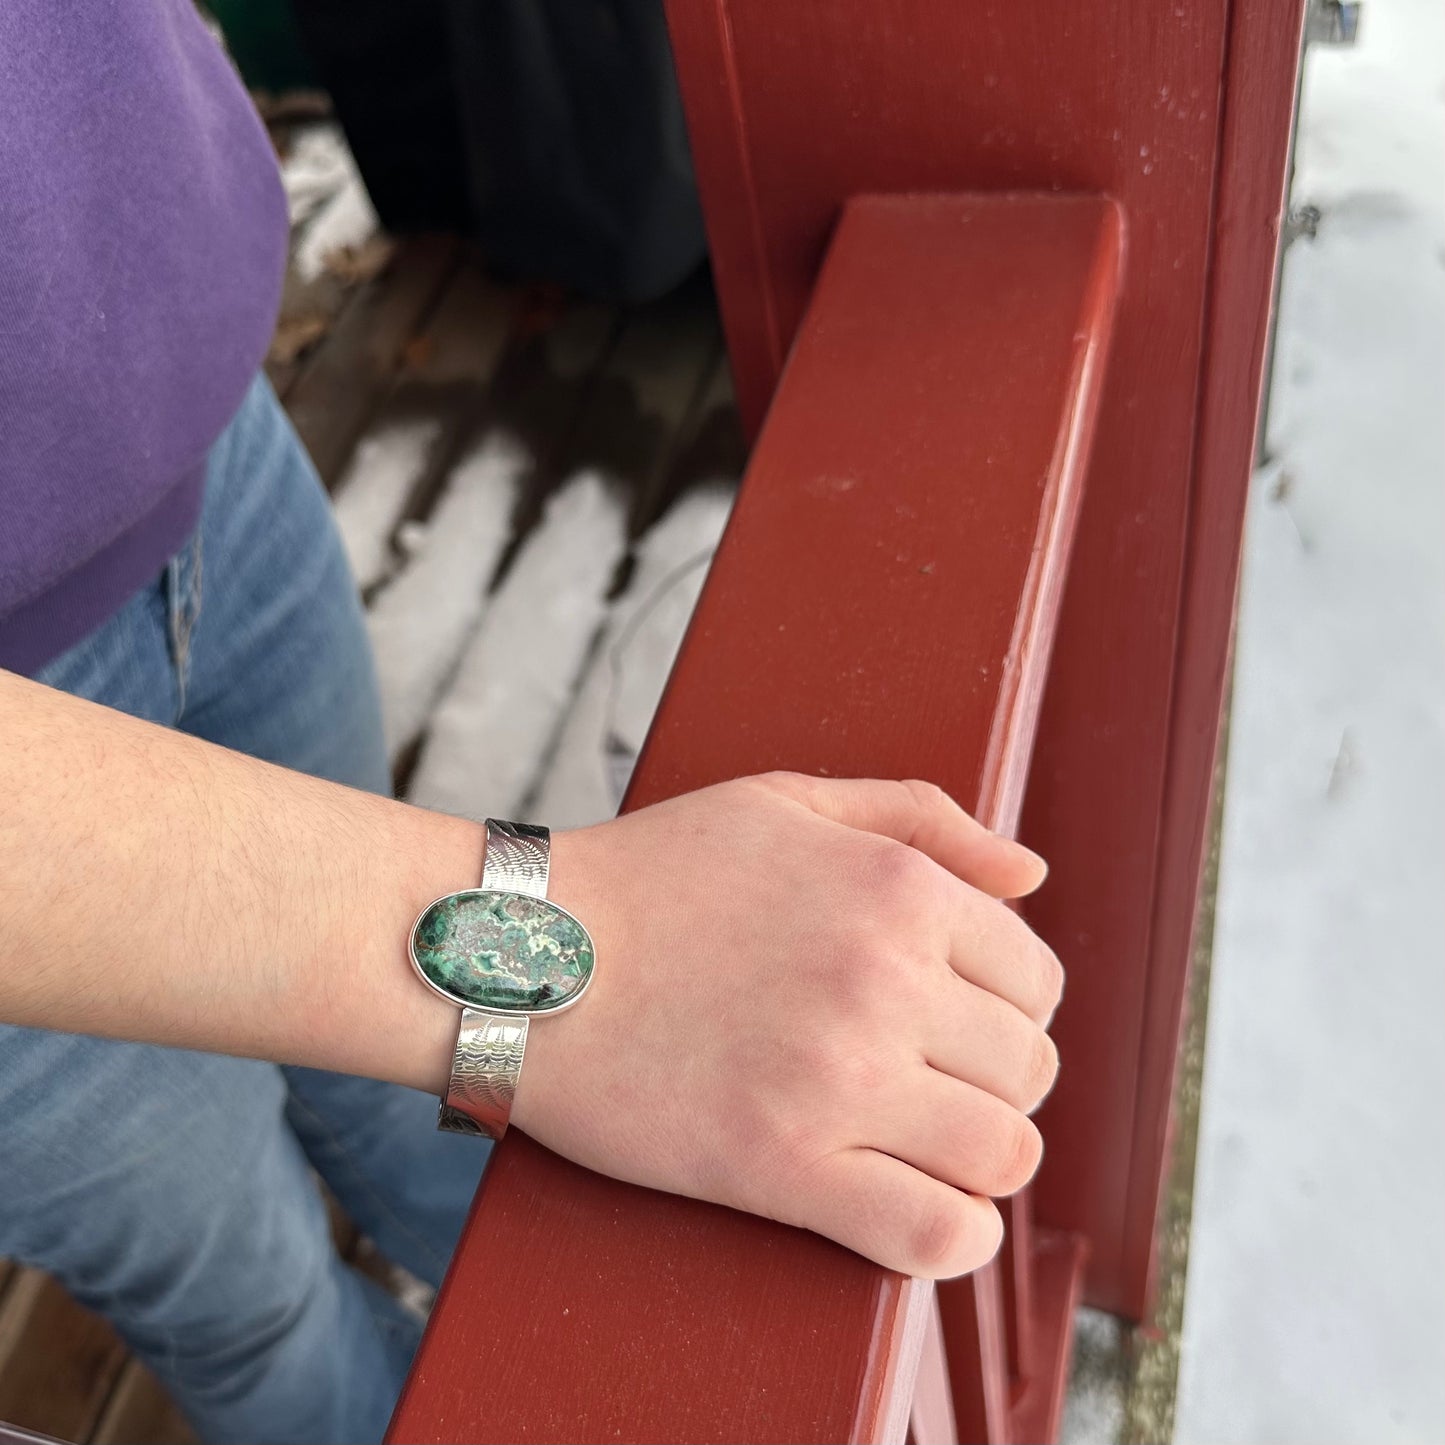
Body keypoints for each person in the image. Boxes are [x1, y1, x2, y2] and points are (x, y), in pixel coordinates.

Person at [0, 4, 1063, 1443]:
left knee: (405, 1102)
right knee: (251, 1298)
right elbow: (500, 985)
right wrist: (571, 944)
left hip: (205, 434)